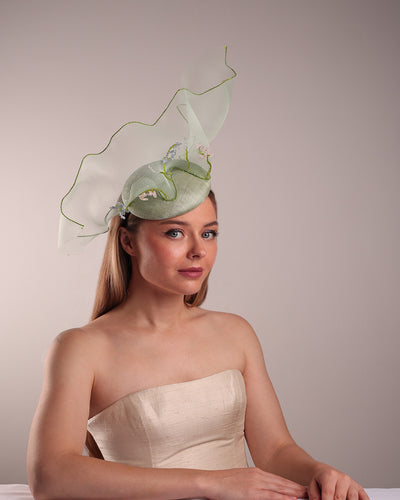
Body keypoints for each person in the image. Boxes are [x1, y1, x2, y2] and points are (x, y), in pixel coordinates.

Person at [27, 47, 369, 500]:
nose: (197, 252)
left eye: (208, 234)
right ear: (128, 242)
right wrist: (211, 483)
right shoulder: (81, 348)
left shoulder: (235, 333)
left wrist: (320, 471)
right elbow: (52, 477)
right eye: (174, 233)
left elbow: (276, 449)